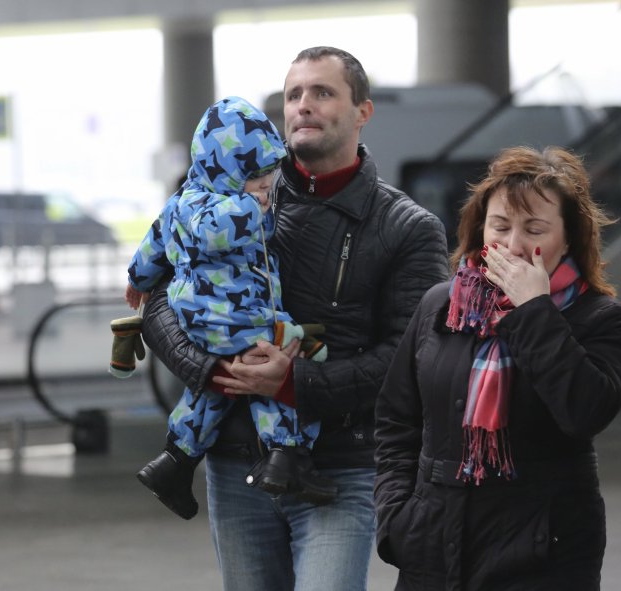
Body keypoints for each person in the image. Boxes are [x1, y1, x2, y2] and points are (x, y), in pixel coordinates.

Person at [140, 46, 449, 591]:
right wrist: (208, 368)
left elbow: (412, 360)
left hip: (341, 469)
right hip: (234, 464)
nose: (303, 105)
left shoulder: (408, 227)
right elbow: (159, 299)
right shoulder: (225, 200)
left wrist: (293, 384)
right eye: (293, 95)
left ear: (363, 112)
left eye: (323, 92)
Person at [373, 146, 621, 590]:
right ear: (480, 229)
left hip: (543, 552)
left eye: (534, 229)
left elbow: (583, 411)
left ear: (569, 238)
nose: (513, 245)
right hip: (434, 544)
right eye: (500, 226)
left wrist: (534, 309)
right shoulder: (442, 304)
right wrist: (398, 516)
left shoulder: (602, 319)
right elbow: (396, 418)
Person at [116, 96, 334, 520]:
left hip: (199, 322)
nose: (267, 184)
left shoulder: (179, 203)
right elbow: (217, 229)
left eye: (270, 174)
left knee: (220, 388)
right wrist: (254, 204)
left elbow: (151, 248)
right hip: (240, 316)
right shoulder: (235, 210)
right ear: (228, 170)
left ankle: (175, 460)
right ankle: (286, 454)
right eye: (256, 175)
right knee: (281, 363)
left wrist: (136, 281)